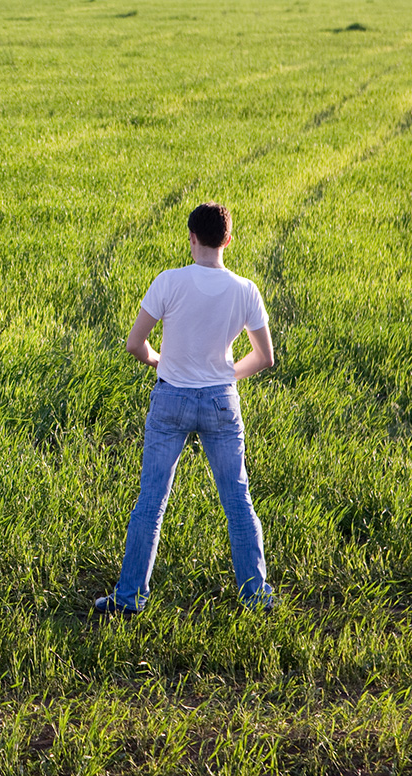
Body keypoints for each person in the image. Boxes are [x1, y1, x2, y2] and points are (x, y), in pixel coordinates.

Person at [96, 202, 276, 615]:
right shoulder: (245, 290)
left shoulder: (169, 282)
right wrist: (228, 375)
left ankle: (129, 599)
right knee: (237, 500)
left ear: (191, 238)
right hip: (220, 401)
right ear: (227, 240)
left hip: (170, 398)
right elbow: (264, 357)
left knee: (151, 501)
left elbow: (134, 344)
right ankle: (256, 598)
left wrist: (158, 359)